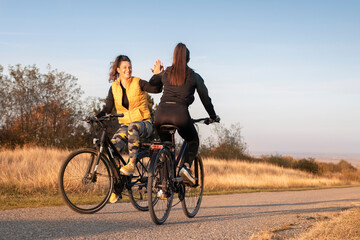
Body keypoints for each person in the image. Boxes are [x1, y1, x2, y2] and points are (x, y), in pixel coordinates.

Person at [150, 43, 220, 185]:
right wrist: (213, 116)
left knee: (166, 145)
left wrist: (157, 73)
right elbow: (205, 99)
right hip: (180, 115)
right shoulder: (194, 76)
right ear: (188, 59)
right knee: (193, 141)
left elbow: (152, 85)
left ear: (174, 58)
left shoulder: (166, 72)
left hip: (160, 115)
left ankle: (163, 186)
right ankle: (186, 167)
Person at [96, 55, 161, 203]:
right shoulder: (114, 87)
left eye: (129, 67)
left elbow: (156, 89)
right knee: (112, 149)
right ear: (118, 69)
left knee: (133, 127)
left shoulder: (138, 82)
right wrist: (96, 117)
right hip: (125, 126)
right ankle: (118, 186)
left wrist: (157, 75)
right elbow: (107, 108)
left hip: (144, 123)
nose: (128, 70)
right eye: (124, 67)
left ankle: (131, 163)